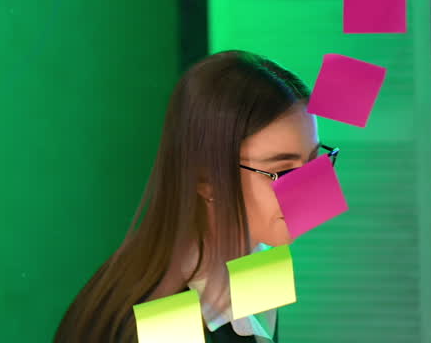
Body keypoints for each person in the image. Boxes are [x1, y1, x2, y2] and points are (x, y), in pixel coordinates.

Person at [55, 50, 338, 342]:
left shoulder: (259, 257)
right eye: (282, 172)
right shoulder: (167, 324)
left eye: (314, 162)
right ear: (206, 179)